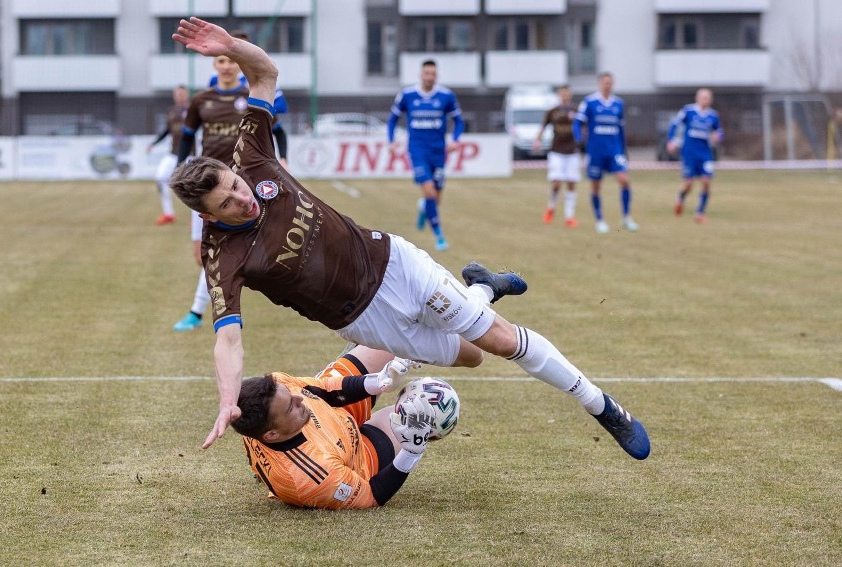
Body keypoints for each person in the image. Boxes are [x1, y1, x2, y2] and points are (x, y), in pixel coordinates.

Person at [170, 17, 650, 462]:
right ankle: (482, 287)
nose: (243, 197)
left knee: (501, 340)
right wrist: (228, 401)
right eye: (228, 203)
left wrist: (232, 46)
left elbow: (266, 75)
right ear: (206, 215)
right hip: (365, 321)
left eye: (236, 185)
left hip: (394, 262)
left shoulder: (250, 157)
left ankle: (603, 406)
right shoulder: (222, 255)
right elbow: (228, 339)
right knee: (472, 356)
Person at [234, 346, 435, 509]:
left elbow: (320, 388)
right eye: (290, 407)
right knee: (433, 404)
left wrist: (379, 382)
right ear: (272, 434)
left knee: (393, 337)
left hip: (333, 410)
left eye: (290, 394)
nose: (299, 399)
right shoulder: (316, 476)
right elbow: (372, 495)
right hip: (357, 455)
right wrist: (411, 452)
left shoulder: (276, 389)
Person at [171, 30, 251, 332]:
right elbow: (187, 137)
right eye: (221, 61)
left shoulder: (250, 96)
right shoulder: (202, 100)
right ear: (214, 65)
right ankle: (203, 308)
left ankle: (197, 312)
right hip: (207, 187)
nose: (227, 66)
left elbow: (274, 130)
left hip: (241, 186)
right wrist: (180, 171)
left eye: (232, 60)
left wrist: (282, 159)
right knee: (201, 256)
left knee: (221, 252)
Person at [387, 59, 464, 251]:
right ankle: (439, 236)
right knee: (429, 191)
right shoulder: (407, 95)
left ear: (436, 76)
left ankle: (424, 207)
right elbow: (392, 120)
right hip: (417, 149)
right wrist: (391, 140)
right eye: (426, 73)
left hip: (439, 151)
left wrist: (455, 139)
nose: (429, 77)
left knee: (435, 199)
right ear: (421, 75)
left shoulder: (446, 96)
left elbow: (459, 121)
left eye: (433, 74)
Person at [572, 72, 638, 234]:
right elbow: (577, 123)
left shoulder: (618, 104)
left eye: (610, 83)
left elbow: (621, 128)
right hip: (596, 151)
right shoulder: (589, 102)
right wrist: (579, 139)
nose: (607, 85)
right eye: (605, 82)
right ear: (599, 84)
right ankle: (600, 220)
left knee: (624, 180)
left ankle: (626, 217)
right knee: (595, 186)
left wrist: (624, 149)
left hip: (614, 150)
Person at [667, 88, 724, 224]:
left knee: (706, 182)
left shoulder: (713, 116)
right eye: (703, 97)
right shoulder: (688, 111)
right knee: (689, 184)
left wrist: (718, 137)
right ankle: (680, 198)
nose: (706, 100)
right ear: (697, 98)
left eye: (708, 98)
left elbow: (720, 132)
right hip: (689, 153)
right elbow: (674, 124)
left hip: (705, 154)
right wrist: (671, 141)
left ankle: (700, 213)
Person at [533, 85, 581, 228]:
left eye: (567, 93)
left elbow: (584, 126)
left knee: (571, 183)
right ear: (559, 95)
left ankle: (569, 217)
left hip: (572, 152)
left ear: (570, 94)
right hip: (556, 152)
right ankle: (551, 207)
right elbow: (543, 127)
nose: (565, 95)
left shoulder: (577, 110)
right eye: (563, 93)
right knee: (557, 183)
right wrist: (537, 140)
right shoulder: (552, 111)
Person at [146, 85, 190, 226]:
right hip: (173, 153)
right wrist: (153, 143)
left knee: (194, 186)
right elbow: (166, 130)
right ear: (174, 95)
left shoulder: (192, 110)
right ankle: (169, 214)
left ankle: (198, 218)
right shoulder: (172, 111)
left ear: (187, 95)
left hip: (190, 154)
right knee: (160, 178)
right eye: (178, 94)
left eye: (182, 94)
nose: (180, 96)